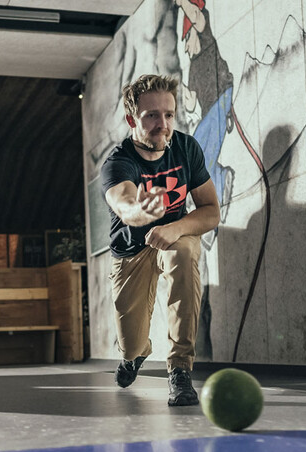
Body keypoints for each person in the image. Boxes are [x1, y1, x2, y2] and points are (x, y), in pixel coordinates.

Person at [101, 74, 221, 406]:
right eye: (151, 115)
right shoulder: (118, 162)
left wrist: (176, 227)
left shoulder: (186, 148)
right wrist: (142, 210)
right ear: (132, 120)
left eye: (168, 114)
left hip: (173, 237)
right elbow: (124, 205)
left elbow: (211, 211)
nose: (163, 125)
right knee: (131, 343)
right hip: (131, 250)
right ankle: (135, 355)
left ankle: (180, 370)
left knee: (183, 253)